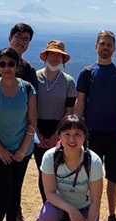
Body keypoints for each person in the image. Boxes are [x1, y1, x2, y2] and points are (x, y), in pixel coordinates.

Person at [0, 23, 38, 221]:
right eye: (19, 37)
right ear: (10, 37)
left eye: (26, 39)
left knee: (14, 181)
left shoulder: (28, 71)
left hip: (19, 136)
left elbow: (32, 106)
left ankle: (14, 212)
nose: (22, 42)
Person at [75, 30, 116, 221]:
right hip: (92, 134)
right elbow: (80, 103)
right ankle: (94, 215)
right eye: (102, 44)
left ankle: (111, 215)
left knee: (114, 177)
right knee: (92, 177)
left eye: (109, 44)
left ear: (114, 48)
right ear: (96, 47)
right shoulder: (87, 72)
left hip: (115, 134)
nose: (106, 47)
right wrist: (77, 131)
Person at [38, 115, 103, 221]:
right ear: (59, 135)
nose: (72, 139)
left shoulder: (92, 161)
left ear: (84, 137)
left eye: (77, 134)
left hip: (85, 209)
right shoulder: (50, 157)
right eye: (67, 134)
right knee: (47, 216)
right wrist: (70, 209)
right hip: (60, 206)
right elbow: (50, 193)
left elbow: (95, 202)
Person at [34, 40, 77, 203]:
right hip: (36, 127)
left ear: (63, 59)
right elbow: (29, 108)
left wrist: (57, 136)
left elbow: (69, 112)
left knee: (60, 171)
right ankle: (48, 206)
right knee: (43, 171)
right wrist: (36, 133)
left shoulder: (68, 81)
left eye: (59, 55)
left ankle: (61, 206)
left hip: (59, 130)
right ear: (45, 56)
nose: (55, 57)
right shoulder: (35, 78)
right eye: (52, 53)